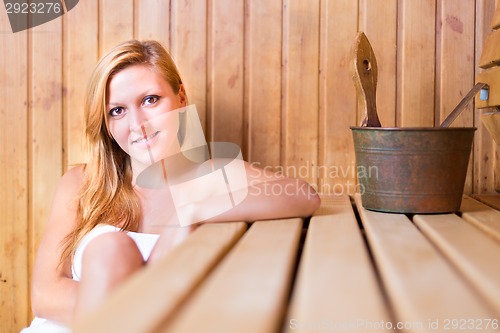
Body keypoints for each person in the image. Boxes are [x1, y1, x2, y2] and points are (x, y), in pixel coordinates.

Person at [22, 40, 320, 332]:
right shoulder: (82, 184)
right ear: (107, 123)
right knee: (108, 250)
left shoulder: (213, 176)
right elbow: (45, 295)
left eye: (150, 100)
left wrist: (191, 207)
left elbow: (302, 195)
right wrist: (127, 310)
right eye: (118, 111)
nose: (138, 123)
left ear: (180, 97)